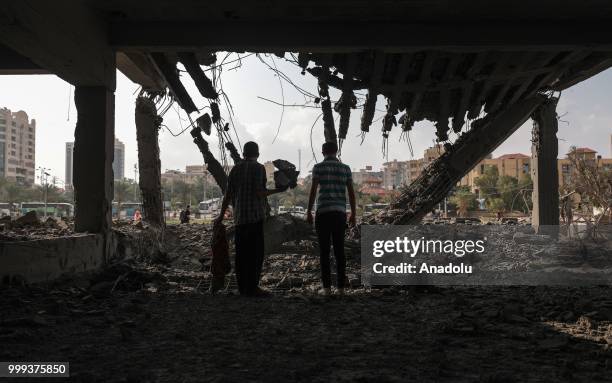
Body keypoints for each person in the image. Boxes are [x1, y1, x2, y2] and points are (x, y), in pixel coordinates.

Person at [215, 141, 287, 296]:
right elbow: (260, 193)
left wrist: (221, 216)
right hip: (255, 218)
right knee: (255, 254)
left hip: (240, 218)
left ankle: (242, 288)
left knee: (241, 255)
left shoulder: (235, 169)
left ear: (243, 154)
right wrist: (277, 190)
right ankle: (253, 287)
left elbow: (228, 195)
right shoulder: (259, 168)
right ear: (258, 154)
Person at [307, 141, 356, 296]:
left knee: (324, 251)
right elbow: (351, 193)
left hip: (322, 213)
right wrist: (353, 213)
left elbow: (313, 191)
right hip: (340, 213)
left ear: (323, 152)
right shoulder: (345, 169)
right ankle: (341, 288)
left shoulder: (318, 168)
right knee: (339, 250)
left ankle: (327, 288)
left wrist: (309, 211)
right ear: (337, 151)